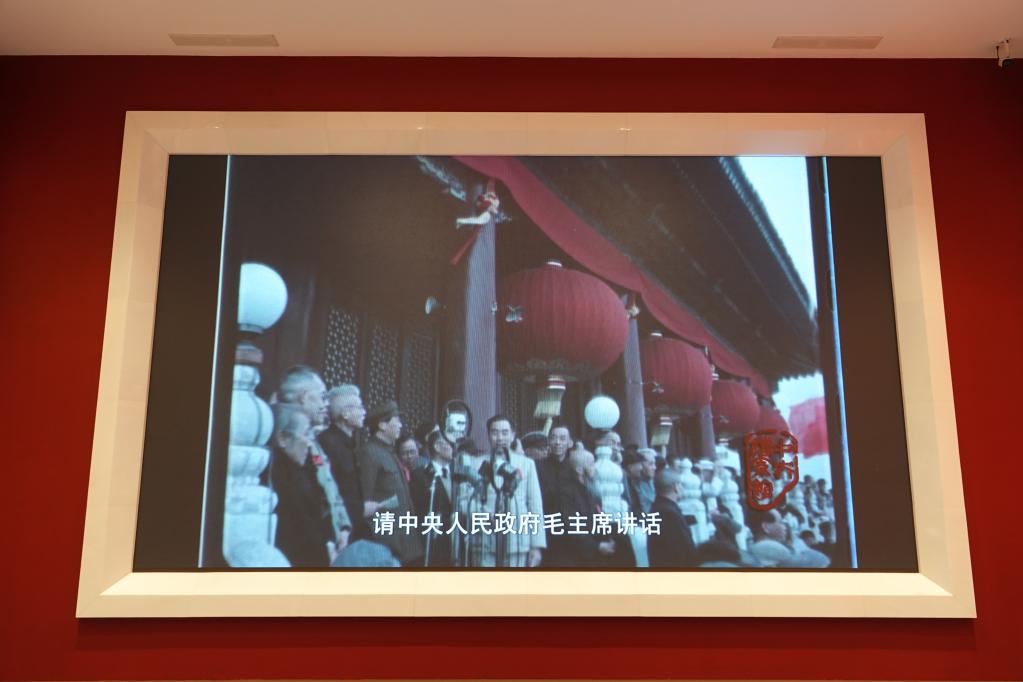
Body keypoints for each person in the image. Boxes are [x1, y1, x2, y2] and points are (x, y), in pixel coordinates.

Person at [276, 366, 351, 553]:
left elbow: (330, 489)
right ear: (303, 397)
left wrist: (343, 527)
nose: (326, 404)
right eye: (322, 397)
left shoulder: (314, 441)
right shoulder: (283, 438)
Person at [464, 415, 546, 567]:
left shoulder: (527, 464)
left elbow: (535, 506)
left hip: (518, 542)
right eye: (495, 433)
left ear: (513, 435)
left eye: (505, 433)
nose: (500, 438)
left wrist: (536, 546)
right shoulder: (476, 464)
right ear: (488, 435)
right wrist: (484, 515)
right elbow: (466, 500)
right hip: (484, 541)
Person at [268, 403, 335, 567]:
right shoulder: (277, 479)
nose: (310, 443)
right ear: (283, 438)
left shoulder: (296, 471)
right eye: (305, 434)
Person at [358, 400, 423, 566]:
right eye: (396, 421)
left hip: (405, 542)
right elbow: (366, 501)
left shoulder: (388, 452)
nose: (400, 425)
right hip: (387, 543)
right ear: (382, 425)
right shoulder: (369, 453)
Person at [551, 448, 618, 567]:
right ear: (579, 470)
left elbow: (600, 518)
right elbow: (572, 525)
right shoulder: (566, 492)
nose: (595, 468)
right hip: (576, 555)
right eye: (591, 464)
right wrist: (597, 546)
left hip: (597, 549)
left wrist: (609, 538)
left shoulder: (592, 490)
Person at [318, 384, 367, 539]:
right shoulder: (327, 443)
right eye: (360, 407)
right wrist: (361, 509)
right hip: (337, 529)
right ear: (345, 414)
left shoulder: (350, 444)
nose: (364, 412)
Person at [410, 431, 456, 567]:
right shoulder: (420, 475)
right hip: (431, 542)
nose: (454, 448)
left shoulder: (457, 473)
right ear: (437, 446)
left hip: (455, 540)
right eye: (450, 444)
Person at [647, 469, 698, 568]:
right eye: (681, 485)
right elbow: (683, 548)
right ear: (676, 487)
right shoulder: (669, 513)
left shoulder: (657, 508)